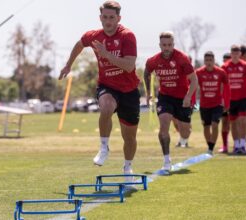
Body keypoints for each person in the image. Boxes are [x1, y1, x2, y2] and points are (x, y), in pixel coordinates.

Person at [59, 1, 140, 175]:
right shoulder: (94, 36)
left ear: (119, 18)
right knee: (106, 107)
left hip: (129, 90)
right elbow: (80, 44)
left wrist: (106, 55)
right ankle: (104, 147)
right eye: (105, 17)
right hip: (107, 85)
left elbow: (128, 66)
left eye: (112, 18)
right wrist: (68, 65)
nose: (108, 21)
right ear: (100, 17)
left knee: (130, 137)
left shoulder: (127, 36)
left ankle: (127, 167)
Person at [144, 31, 197, 171]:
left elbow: (194, 80)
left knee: (184, 132)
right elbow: (146, 72)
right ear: (159, 45)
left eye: (169, 45)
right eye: (164, 45)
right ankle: (167, 160)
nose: (166, 48)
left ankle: (183, 137)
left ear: (173, 45)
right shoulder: (154, 60)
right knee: (163, 126)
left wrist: (188, 97)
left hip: (182, 98)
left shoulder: (182, 59)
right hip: (165, 97)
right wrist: (148, 93)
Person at [221, 45, 246, 154]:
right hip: (231, 99)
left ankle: (242, 145)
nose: (235, 55)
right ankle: (236, 145)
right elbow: (222, 84)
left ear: (240, 54)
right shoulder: (225, 67)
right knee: (233, 122)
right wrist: (222, 98)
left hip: (243, 98)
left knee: (243, 121)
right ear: (231, 54)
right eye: (233, 53)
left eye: (237, 53)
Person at [196, 51, 229, 155]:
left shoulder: (221, 72)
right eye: (207, 60)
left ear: (214, 61)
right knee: (206, 127)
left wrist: (226, 102)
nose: (209, 62)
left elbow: (227, 87)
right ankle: (209, 146)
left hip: (217, 104)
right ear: (204, 61)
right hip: (204, 104)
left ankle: (211, 147)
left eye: (211, 60)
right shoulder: (199, 72)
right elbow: (193, 87)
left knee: (215, 124)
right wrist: (193, 101)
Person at [218, 53, 232, 153]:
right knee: (225, 123)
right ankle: (225, 145)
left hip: (235, 100)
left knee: (234, 124)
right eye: (224, 60)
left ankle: (239, 144)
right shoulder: (221, 72)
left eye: (228, 60)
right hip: (224, 101)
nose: (226, 62)